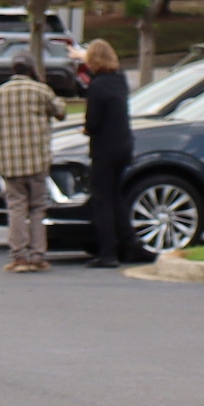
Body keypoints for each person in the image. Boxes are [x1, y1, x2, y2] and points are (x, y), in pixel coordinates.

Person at [0, 51, 66, 273]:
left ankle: (19, 256)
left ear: (13, 69)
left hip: (10, 161)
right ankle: (38, 255)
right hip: (37, 159)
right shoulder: (41, 91)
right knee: (38, 207)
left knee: (16, 207)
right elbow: (61, 112)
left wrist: (0, 144)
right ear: (31, 69)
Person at [79, 38, 139, 267]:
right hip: (124, 145)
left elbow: (92, 122)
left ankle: (108, 252)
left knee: (102, 200)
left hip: (104, 149)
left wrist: (86, 129)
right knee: (116, 196)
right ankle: (130, 244)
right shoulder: (120, 80)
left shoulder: (97, 86)